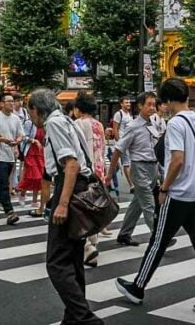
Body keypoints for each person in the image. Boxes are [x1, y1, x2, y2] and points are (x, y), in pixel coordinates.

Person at [117, 78, 195, 318]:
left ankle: (137, 288)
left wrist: (164, 189)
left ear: (167, 101)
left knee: (157, 242)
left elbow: (177, 159)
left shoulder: (175, 124)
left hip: (178, 194)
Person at [32, 88, 104, 325]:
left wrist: (62, 204)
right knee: (73, 259)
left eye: (29, 111)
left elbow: (71, 164)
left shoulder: (53, 124)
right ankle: (73, 317)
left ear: (36, 109)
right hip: (81, 186)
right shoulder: (67, 120)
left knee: (56, 263)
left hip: (69, 187)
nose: (30, 117)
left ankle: (85, 318)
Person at [107, 92, 161, 247]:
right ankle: (159, 237)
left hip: (152, 167)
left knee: (137, 203)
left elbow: (155, 145)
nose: (152, 107)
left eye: (153, 104)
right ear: (140, 106)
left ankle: (124, 234)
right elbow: (118, 149)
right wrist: (110, 174)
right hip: (139, 167)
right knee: (149, 204)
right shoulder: (133, 126)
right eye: (148, 104)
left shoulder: (152, 123)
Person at [73, 93, 108, 266]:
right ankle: (93, 243)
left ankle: (87, 246)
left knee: (81, 209)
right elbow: (103, 148)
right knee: (94, 207)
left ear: (78, 109)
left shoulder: (77, 124)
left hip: (84, 171)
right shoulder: (99, 125)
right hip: (99, 170)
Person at [0, 94, 25, 226]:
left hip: (10, 155)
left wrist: (17, 141)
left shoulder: (16, 119)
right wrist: (3, 140)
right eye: (9, 101)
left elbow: (20, 134)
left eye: (12, 101)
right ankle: (9, 212)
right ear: (2, 103)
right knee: (4, 184)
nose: (12, 104)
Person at [18, 114, 47, 217]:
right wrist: (33, 141)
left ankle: (35, 200)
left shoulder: (44, 124)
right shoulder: (29, 122)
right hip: (30, 151)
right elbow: (22, 136)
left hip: (41, 153)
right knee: (32, 175)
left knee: (40, 177)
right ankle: (22, 193)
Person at [110, 97, 135, 192]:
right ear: (121, 104)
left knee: (116, 164)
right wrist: (119, 142)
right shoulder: (118, 114)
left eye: (129, 102)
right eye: (126, 102)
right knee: (126, 163)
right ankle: (132, 185)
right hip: (122, 142)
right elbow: (115, 129)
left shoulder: (129, 114)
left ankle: (106, 179)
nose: (128, 104)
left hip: (129, 142)